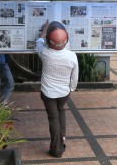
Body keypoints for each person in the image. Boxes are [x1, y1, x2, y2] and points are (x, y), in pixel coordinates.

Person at [35, 20, 79, 158]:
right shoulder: (72, 56)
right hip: (64, 93)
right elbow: (74, 77)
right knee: (60, 111)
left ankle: (56, 149)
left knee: (53, 118)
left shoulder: (45, 53)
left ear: (49, 41)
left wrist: (44, 31)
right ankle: (62, 138)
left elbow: (38, 42)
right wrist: (71, 89)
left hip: (48, 93)